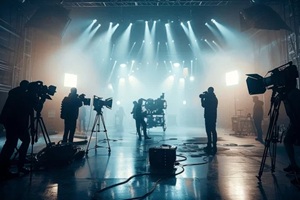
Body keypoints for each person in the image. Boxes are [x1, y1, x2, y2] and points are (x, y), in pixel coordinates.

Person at [0, 80, 36, 180]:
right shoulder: (23, 96)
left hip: (13, 123)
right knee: (12, 144)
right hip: (16, 123)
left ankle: (11, 166)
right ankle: (5, 168)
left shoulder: (16, 94)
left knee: (11, 144)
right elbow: (34, 109)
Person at [282, 78, 300, 174]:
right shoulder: (294, 93)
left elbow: (295, 112)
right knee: (287, 141)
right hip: (294, 122)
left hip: (296, 122)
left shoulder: (293, 94)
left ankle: (294, 166)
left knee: (288, 141)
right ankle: (293, 165)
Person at [200, 87, 218, 154]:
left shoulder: (209, 98)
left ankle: (209, 144)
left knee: (208, 131)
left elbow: (203, 105)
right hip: (213, 116)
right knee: (213, 130)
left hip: (208, 116)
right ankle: (214, 144)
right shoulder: (215, 98)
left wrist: (202, 99)